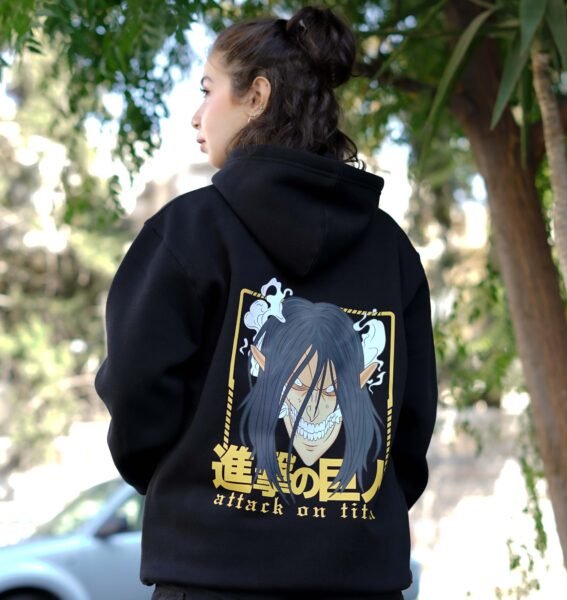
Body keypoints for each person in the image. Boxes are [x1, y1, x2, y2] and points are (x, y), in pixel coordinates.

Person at [94, 5, 438, 600]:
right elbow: (410, 423)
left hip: (209, 576)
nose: (196, 115)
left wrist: (188, 483)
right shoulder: (393, 252)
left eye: (208, 90)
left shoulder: (188, 232)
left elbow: (134, 388)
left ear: (256, 96)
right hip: (358, 583)